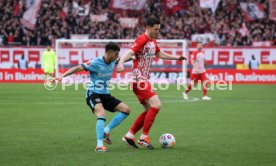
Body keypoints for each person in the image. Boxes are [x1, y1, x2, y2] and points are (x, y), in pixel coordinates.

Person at [117, 16, 186, 149]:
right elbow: (129, 52)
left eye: (159, 29)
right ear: (148, 27)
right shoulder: (142, 39)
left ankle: (130, 135)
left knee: (149, 109)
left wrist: (176, 57)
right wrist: (120, 63)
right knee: (157, 105)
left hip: (143, 79)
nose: (157, 32)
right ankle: (144, 137)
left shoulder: (152, 41)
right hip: (139, 79)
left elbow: (159, 54)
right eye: (155, 29)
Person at [55, 42, 131, 152]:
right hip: (93, 93)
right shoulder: (95, 63)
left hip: (105, 94)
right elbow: (77, 68)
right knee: (101, 114)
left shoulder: (114, 60)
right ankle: (99, 145)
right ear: (109, 52)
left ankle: (106, 130)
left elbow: (128, 58)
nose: (117, 57)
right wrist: (61, 76)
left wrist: (136, 55)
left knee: (126, 110)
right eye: (115, 54)